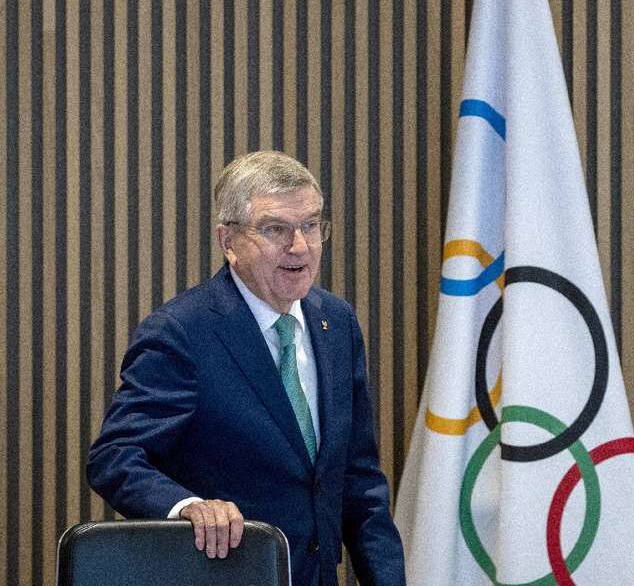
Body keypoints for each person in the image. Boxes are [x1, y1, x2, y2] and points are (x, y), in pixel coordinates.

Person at [87, 151, 405, 586]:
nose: (300, 246)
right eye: (276, 229)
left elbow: (359, 480)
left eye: (311, 225)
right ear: (228, 240)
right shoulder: (182, 332)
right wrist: (188, 506)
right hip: (225, 574)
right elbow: (115, 457)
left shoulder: (337, 321)